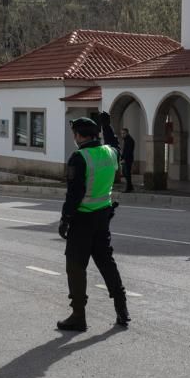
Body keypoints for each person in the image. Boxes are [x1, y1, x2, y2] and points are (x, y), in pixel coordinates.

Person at [56, 117, 130, 331]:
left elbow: (75, 194)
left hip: (82, 220)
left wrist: (65, 219)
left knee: (76, 267)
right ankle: (122, 309)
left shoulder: (79, 157)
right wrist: (107, 125)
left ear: (79, 136)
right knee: (106, 263)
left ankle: (78, 315)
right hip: (103, 217)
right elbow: (117, 146)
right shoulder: (109, 152)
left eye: (74, 134)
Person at [120, 127, 136, 193]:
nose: (122, 135)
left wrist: (124, 159)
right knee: (125, 173)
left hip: (128, 159)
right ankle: (130, 186)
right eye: (121, 133)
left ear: (127, 133)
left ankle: (128, 188)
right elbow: (124, 150)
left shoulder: (130, 140)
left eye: (124, 133)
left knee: (127, 173)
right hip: (126, 159)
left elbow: (128, 151)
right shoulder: (126, 139)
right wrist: (122, 157)